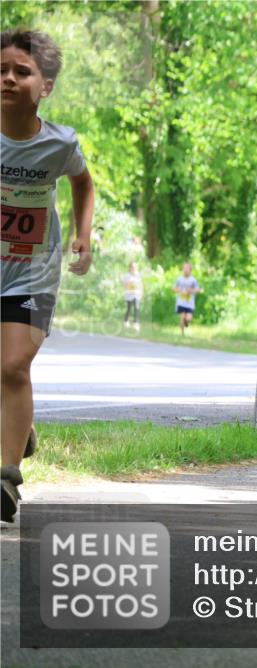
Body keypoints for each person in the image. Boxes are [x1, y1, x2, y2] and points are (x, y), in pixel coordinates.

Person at [1, 29, 94, 522]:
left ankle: (6, 478)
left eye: (22, 71)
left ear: (46, 86)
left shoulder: (59, 143)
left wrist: (84, 233)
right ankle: (21, 425)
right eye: (1, 71)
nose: (9, 79)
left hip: (34, 270)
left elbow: (82, 181)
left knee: (13, 366)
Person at [173, 262, 202, 335]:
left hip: (189, 303)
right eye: (184, 269)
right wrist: (178, 290)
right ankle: (182, 334)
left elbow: (198, 290)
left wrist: (191, 290)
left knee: (188, 318)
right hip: (181, 302)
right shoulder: (179, 279)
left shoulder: (193, 280)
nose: (185, 270)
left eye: (187, 269)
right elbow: (174, 288)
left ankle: (185, 323)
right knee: (182, 317)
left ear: (190, 270)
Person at [123, 261, 142, 331]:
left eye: (135, 267)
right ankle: (126, 321)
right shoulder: (127, 276)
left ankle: (136, 323)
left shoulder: (138, 275)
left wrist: (141, 293)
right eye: (132, 267)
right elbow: (124, 286)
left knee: (136, 308)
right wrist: (130, 285)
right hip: (129, 294)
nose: (134, 268)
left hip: (136, 294)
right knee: (129, 309)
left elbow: (140, 285)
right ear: (130, 268)